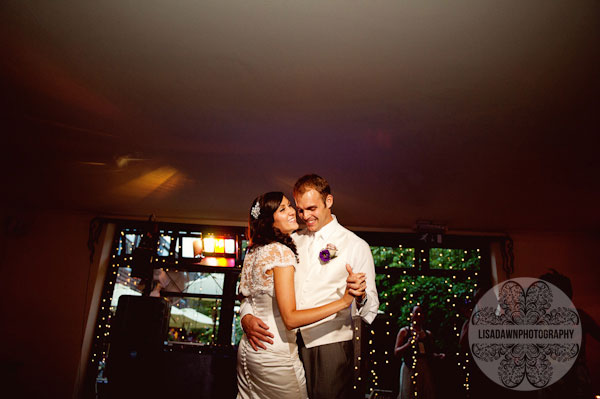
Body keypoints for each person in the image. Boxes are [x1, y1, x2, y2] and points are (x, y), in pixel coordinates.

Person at [241, 174, 379, 399]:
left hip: (328, 345)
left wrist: (360, 295)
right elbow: (257, 287)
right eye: (300, 209)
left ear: (329, 201)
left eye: (312, 208)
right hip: (287, 345)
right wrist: (246, 316)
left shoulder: (356, 246)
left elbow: (371, 308)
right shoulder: (291, 240)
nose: (305, 216)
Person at [394, 305, 444, 399]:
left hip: (424, 367)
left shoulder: (428, 334)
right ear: (411, 315)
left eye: (421, 313)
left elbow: (430, 353)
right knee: (408, 393)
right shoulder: (405, 332)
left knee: (425, 393)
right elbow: (396, 352)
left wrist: (438, 356)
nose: (418, 315)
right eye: (416, 312)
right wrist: (408, 345)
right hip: (409, 367)